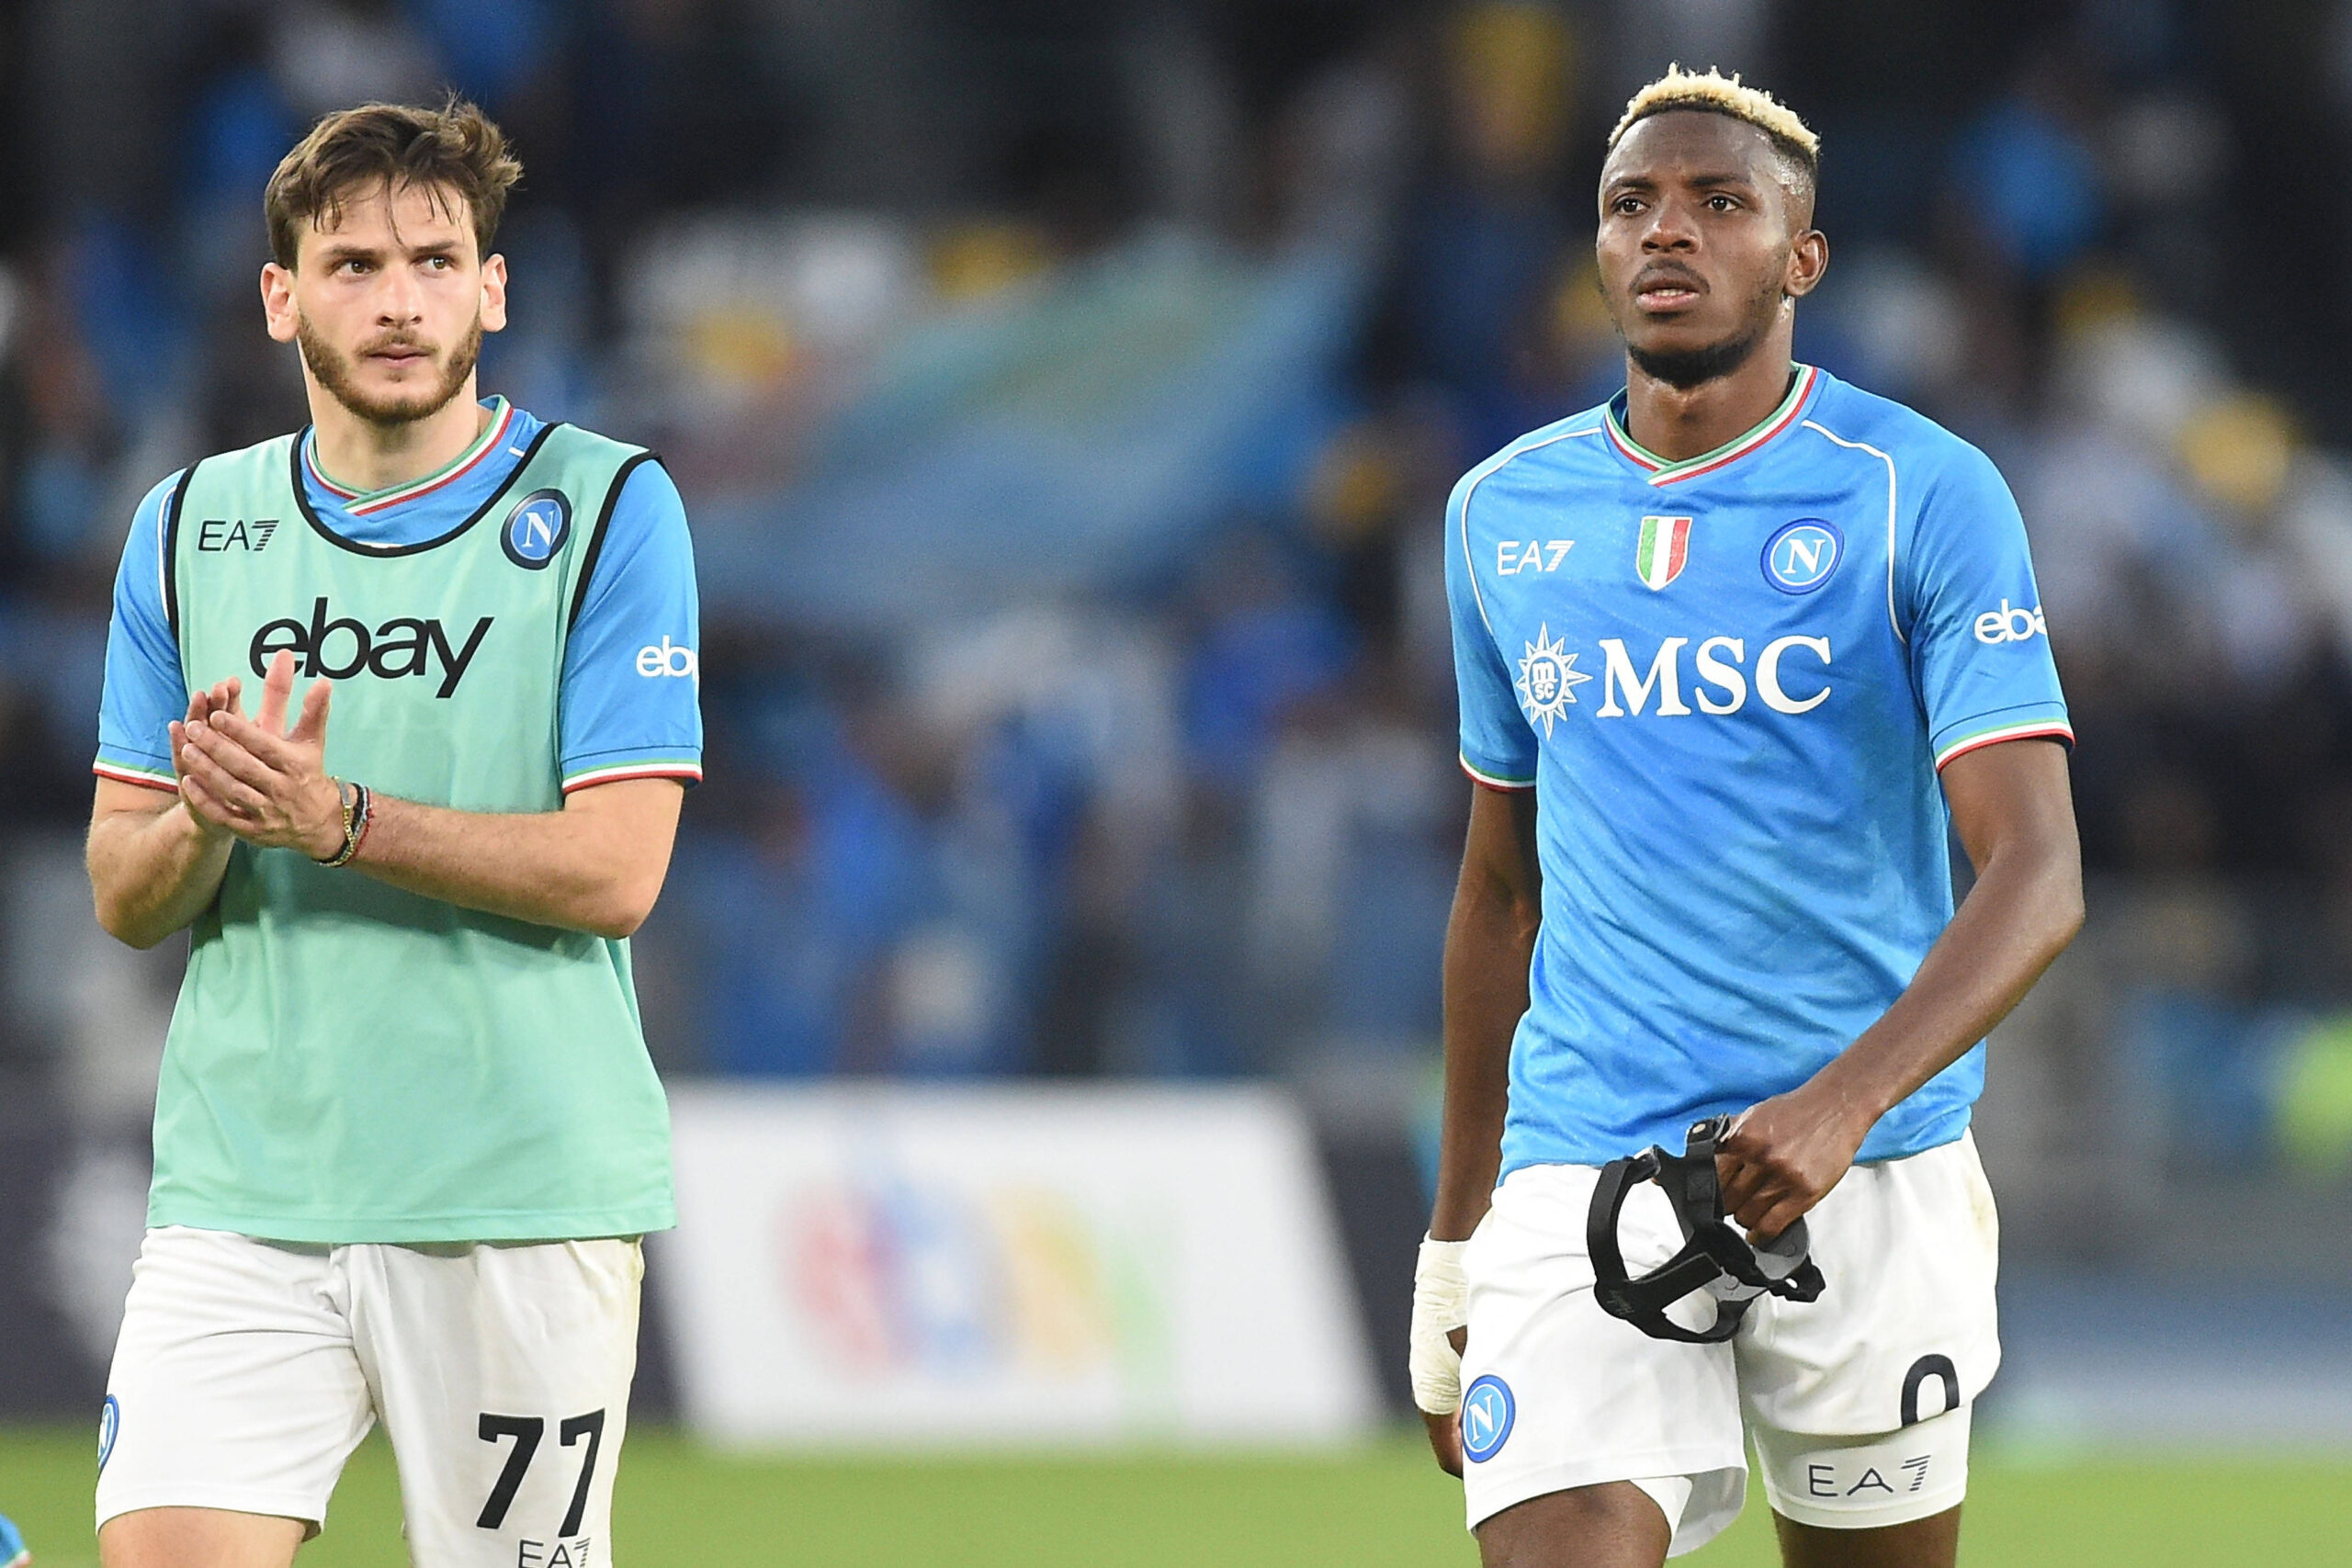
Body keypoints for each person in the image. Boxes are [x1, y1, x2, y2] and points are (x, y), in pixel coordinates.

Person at [1408, 66, 2082, 1568]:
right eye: (1632, 204)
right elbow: (1498, 895)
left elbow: (2037, 876)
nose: (1669, 233)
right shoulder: (1498, 517)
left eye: (1721, 203)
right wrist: (1455, 1245)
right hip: (1586, 1161)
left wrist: (1838, 1107)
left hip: (1872, 1167)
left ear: (1801, 258)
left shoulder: (1921, 492)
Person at [85, 99, 701, 1568]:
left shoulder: (607, 508)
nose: (400, 297)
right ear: (281, 297)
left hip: (517, 1194)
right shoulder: (188, 526)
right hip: (245, 1191)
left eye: (436, 259)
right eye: (352, 264)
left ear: (493, 287)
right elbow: (124, 890)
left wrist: (339, 818)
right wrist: (214, 820)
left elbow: (617, 874)